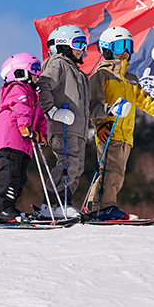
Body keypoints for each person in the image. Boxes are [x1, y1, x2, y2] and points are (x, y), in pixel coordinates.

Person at [86, 26, 154, 220]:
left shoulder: (131, 80)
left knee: (116, 174)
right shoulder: (101, 75)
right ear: (107, 49)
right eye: (120, 46)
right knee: (110, 171)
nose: (125, 52)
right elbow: (93, 102)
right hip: (109, 132)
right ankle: (102, 207)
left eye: (129, 46)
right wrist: (100, 124)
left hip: (126, 135)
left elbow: (146, 102)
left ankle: (95, 206)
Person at [36, 24, 104, 219]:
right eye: (78, 43)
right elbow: (42, 86)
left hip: (78, 129)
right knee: (66, 164)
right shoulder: (58, 64)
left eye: (84, 44)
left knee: (76, 167)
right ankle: (52, 204)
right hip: (62, 126)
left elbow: (87, 106)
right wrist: (53, 111)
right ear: (62, 44)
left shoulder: (79, 74)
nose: (82, 48)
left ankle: (64, 202)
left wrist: (108, 110)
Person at [0, 52, 48, 224]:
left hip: (24, 144)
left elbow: (40, 117)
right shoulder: (17, 89)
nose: (38, 74)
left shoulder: (33, 94)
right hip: (12, 140)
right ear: (19, 72)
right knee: (10, 175)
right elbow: (21, 109)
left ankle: (8, 207)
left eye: (39, 69)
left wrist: (42, 134)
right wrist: (26, 127)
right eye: (34, 69)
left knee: (20, 178)